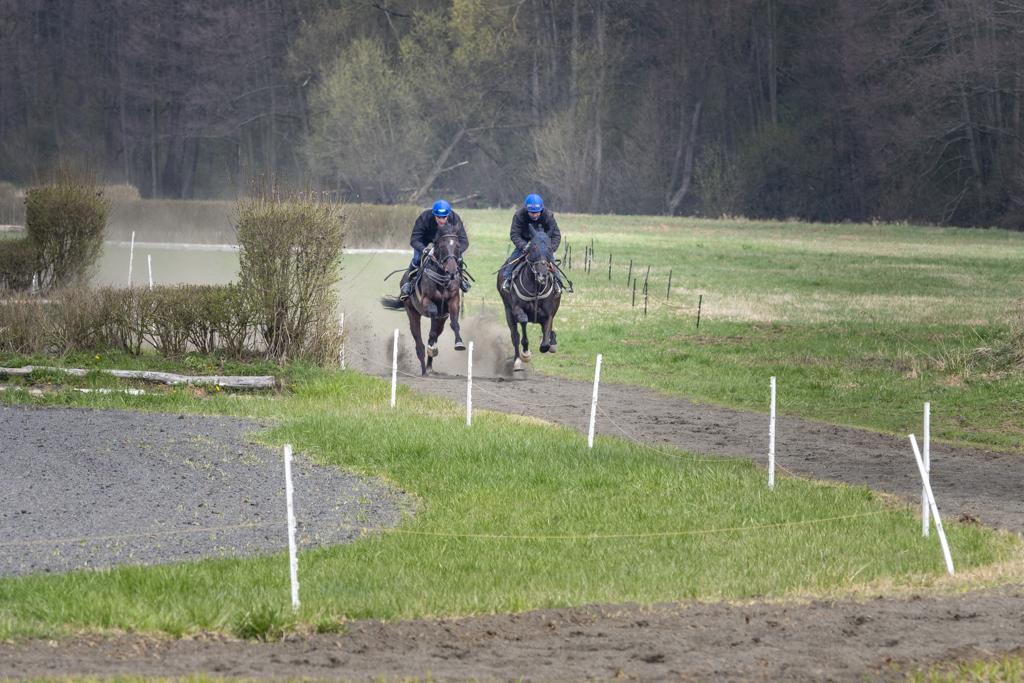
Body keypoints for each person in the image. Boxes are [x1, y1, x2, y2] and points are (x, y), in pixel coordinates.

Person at [400, 199, 470, 300]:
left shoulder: (454, 219)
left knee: (457, 258)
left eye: (444, 217)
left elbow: (464, 241)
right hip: (425, 240)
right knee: (417, 258)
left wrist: (455, 253)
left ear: (448, 215)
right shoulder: (424, 218)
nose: (442, 220)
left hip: (445, 243)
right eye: (438, 217)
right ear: (434, 215)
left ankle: (462, 280)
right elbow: (414, 240)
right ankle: (409, 283)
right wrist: (425, 250)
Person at [500, 193, 561, 292]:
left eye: (537, 212)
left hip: (543, 247)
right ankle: (507, 280)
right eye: (532, 212)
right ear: (526, 210)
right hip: (525, 244)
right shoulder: (519, 215)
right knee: (512, 260)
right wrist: (523, 246)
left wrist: (550, 249)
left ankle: (558, 283)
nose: (535, 215)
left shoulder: (548, 216)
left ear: (541, 210)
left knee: (553, 263)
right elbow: (514, 234)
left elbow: (556, 235)